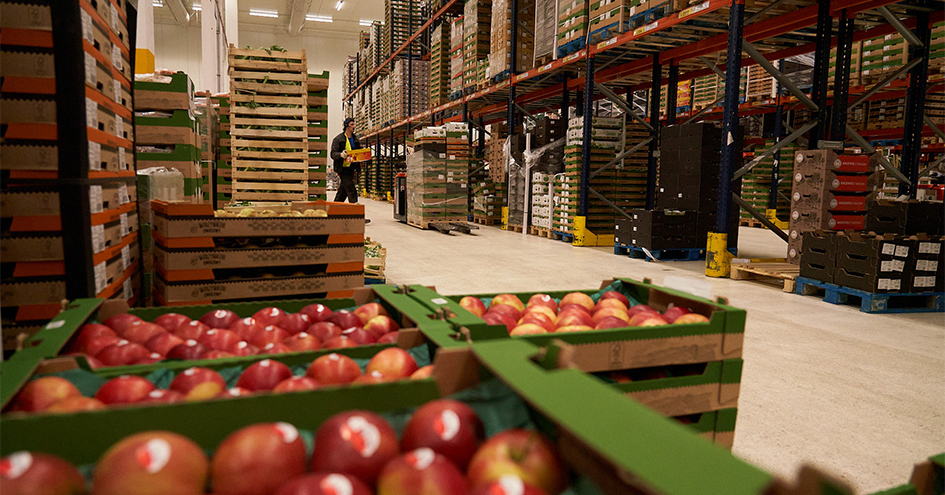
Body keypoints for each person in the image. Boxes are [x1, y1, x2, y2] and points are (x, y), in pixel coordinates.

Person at [330, 117, 370, 223]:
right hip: (342, 169)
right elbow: (333, 154)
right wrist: (340, 155)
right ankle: (357, 216)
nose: (354, 126)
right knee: (352, 190)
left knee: (342, 193)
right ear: (347, 126)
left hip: (351, 168)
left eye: (354, 124)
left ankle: (332, 213)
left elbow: (358, 151)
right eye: (352, 124)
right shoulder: (338, 139)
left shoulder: (355, 139)